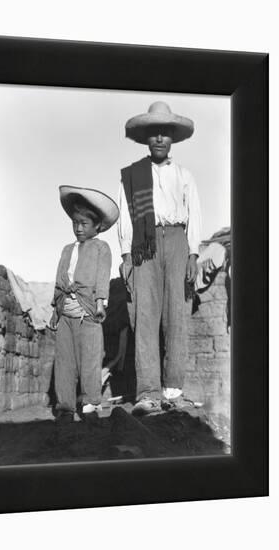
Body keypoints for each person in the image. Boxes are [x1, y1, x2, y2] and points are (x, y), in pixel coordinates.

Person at [117, 101, 202, 415]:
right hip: (144, 244)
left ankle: (173, 390)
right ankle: (148, 392)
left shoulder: (185, 175)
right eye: (154, 133)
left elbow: (195, 215)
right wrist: (127, 255)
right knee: (146, 316)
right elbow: (126, 217)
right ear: (146, 138)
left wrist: (193, 254)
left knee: (176, 315)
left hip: (178, 241)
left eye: (165, 133)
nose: (159, 139)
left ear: (172, 138)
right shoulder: (132, 176)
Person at [50, 185, 119, 423]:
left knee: (90, 359)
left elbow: (102, 277)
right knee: (65, 361)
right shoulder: (67, 250)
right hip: (66, 315)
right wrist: (55, 309)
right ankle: (66, 406)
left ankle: (90, 401)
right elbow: (59, 279)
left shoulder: (101, 248)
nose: (78, 228)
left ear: (97, 226)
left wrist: (100, 304)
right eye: (75, 223)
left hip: (87, 313)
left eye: (84, 224)